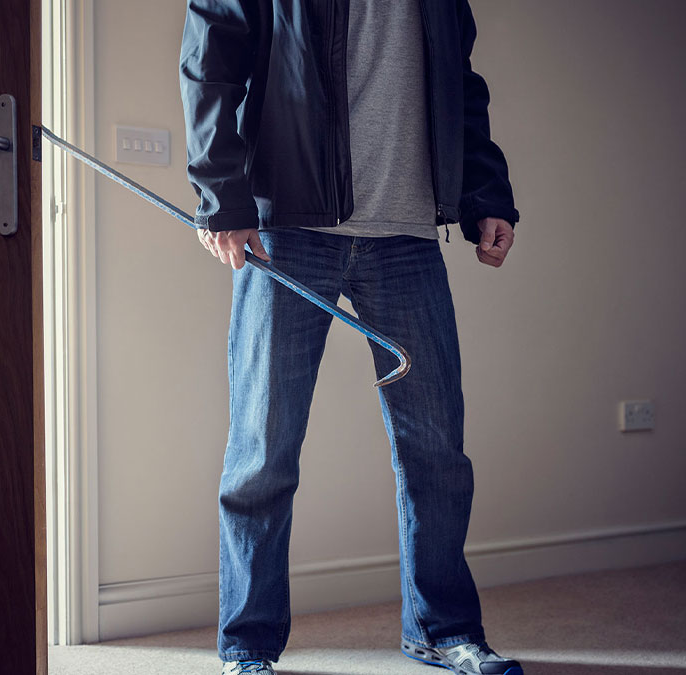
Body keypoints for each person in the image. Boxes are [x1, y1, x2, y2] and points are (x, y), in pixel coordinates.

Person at [178, 1, 524, 674]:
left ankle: (444, 629)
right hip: (287, 229)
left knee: (437, 453)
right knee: (262, 451)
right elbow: (210, 58)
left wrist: (485, 195)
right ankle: (247, 646)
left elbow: (460, 85)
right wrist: (221, 194)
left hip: (408, 232)